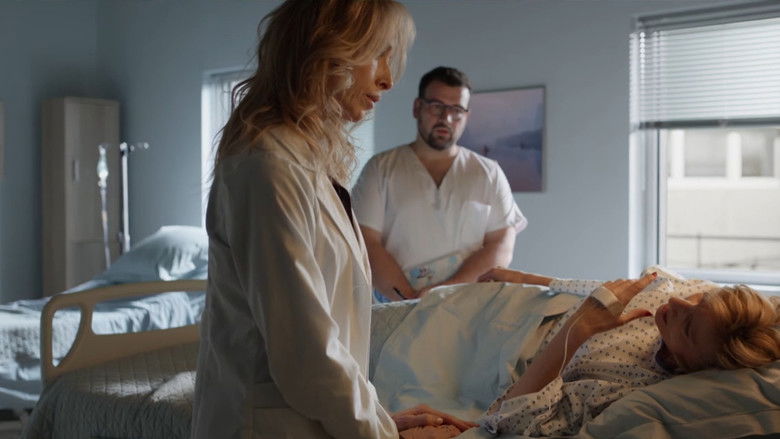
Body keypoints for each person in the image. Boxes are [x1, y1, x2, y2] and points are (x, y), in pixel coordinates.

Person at [190, 2, 474, 438]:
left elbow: (331, 330)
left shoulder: (307, 161)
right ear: (328, 51)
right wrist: (381, 434)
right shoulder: (269, 165)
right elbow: (304, 352)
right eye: (378, 54)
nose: (388, 79)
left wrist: (379, 419)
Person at [351, 67, 527, 302]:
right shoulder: (380, 169)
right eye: (436, 106)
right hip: (398, 305)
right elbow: (366, 242)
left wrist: (443, 294)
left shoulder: (488, 173)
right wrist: (412, 303)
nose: (446, 118)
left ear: (467, 116)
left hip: (467, 306)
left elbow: (501, 244)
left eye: (457, 110)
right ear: (417, 108)